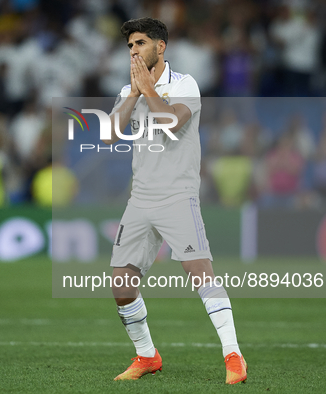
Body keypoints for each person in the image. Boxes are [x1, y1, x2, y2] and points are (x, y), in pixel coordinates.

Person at [103, 18, 246, 384]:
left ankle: (234, 356)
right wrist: (135, 93)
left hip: (178, 196)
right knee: (121, 284)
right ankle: (147, 356)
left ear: (160, 46)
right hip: (140, 198)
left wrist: (148, 89)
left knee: (201, 275)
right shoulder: (127, 91)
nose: (133, 51)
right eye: (130, 46)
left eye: (139, 43)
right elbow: (108, 136)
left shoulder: (185, 84)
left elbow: (171, 122)